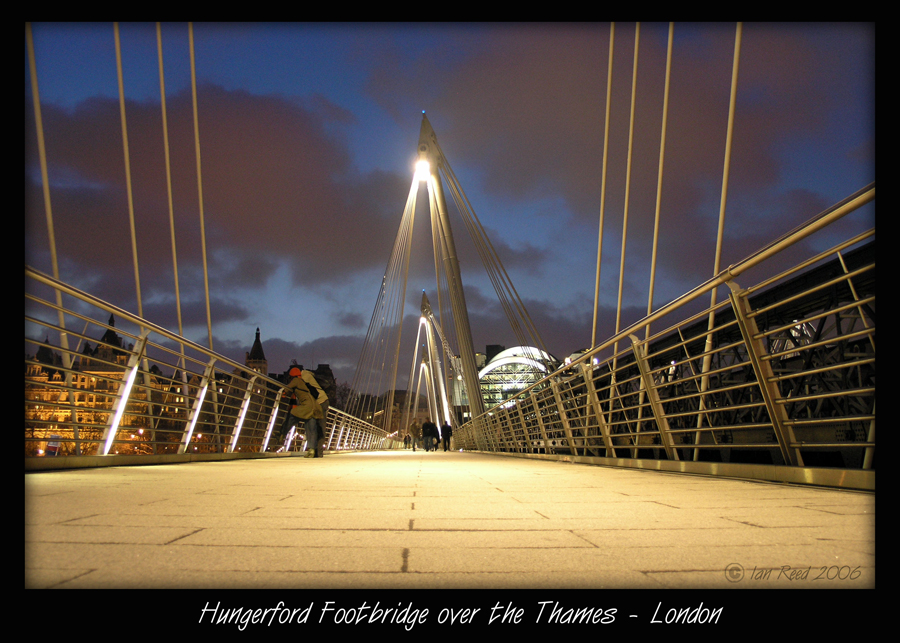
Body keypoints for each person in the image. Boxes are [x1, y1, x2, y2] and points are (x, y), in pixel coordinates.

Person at [284, 367, 324, 458]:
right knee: (312, 429)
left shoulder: (296, 381)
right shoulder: (305, 383)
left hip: (307, 408)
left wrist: (284, 393)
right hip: (315, 407)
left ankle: (282, 432)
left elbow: (287, 388)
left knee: (293, 415)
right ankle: (312, 450)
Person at [301, 368, 330, 455]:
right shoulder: (308, 375)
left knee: (317, 426)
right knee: (319, 426)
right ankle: (317, 451)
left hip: (320, 402)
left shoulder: (304, 377)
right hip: (322, 401)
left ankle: (317, 451)